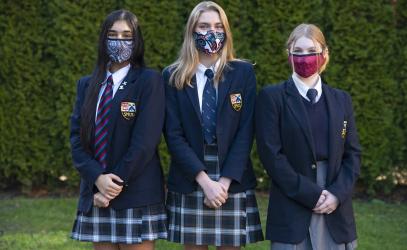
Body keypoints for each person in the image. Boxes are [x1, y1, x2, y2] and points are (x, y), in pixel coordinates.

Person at [163, 1, 264, 249]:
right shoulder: (173, 76)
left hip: (232, 175)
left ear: (226, 32)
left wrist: (223, 183)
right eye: (204, 26)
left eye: (219, 26)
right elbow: (173, 135)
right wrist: (205, 182)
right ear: (192, 31)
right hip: (192, 175)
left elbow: (246, 131)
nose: (212, 32)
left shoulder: (242, 72)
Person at [256, 23, 361, 250]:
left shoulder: (342, 100)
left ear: (324, 55)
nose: (305, 57)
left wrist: (336, 194)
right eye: (298, 52)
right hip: (292, 205)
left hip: (336, 209)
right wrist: (310, 194)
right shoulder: (272, 98)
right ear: (289, 56)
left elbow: (352, 154)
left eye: (311, 51)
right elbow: (271, 156)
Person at [70, 9, 167, 250]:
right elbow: (77, 141)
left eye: (127, 35)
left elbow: (144, 143)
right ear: (103, 40)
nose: (119, 41)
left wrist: (111, 186)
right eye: (112, 35)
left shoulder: (149, 81)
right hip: (96, 193)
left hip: (135, 193)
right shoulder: (86, 85)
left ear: (137, 41)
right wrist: (98, 179)